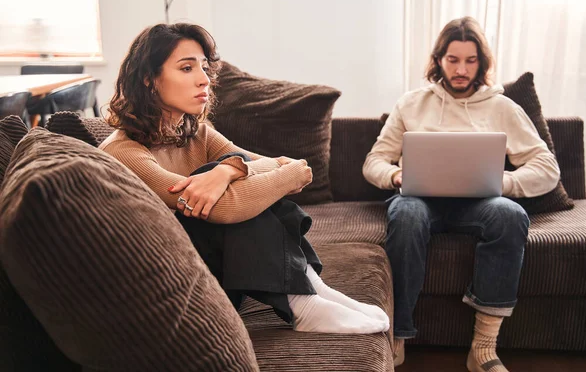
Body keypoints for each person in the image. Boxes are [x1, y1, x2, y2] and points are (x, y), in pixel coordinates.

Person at [100, 22, 389, 335]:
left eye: (204, 67)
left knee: (234, 176)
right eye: (186, 68)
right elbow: (226, 209)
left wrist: (230, 170)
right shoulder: (124, 152)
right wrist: (259, 174)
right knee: (233, 191)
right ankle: (302, 305)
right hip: (176, 285)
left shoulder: (196, 133)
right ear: (148, 79)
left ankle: (311, 289)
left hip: (227, 274)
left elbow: (288, 166)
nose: (203, 79)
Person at [363, 17, 560, 371]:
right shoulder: (412, 103)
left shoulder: (502, 108)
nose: (461, 69)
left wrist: (503, 183)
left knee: (510, 214)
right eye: (453, 60)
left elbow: (546, 167)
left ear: (481, 64)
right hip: (419, 200)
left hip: (479, 203)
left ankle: (483, 347)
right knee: (406, 215)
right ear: (439, 59)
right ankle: (397, 337)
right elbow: (374, 161)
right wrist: (395, 175)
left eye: (470, 61)